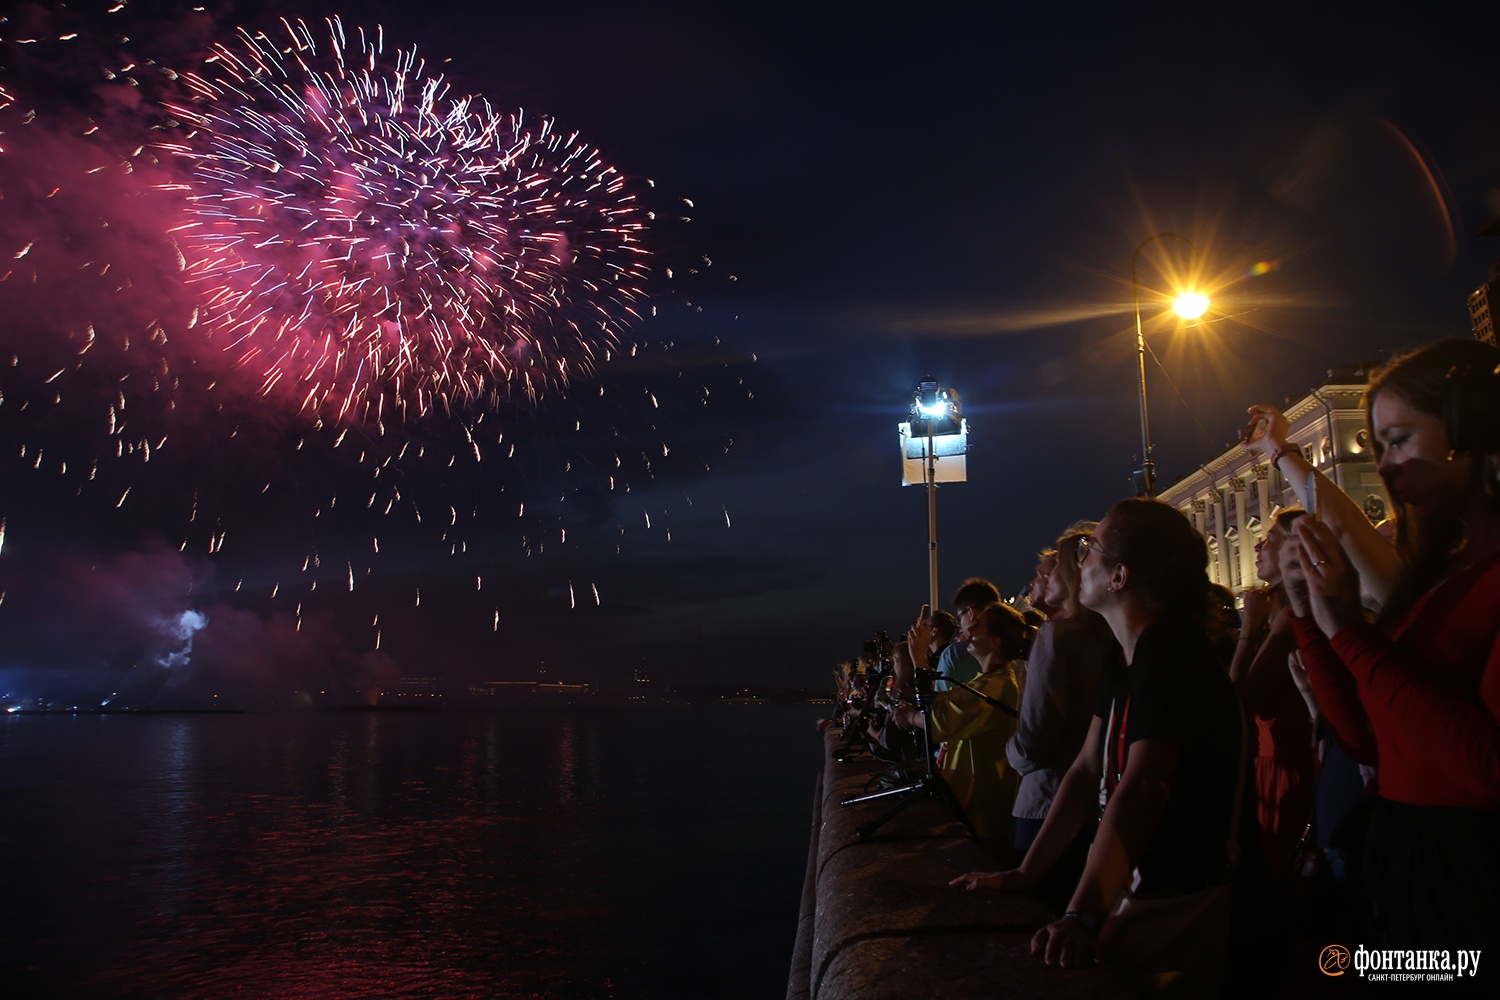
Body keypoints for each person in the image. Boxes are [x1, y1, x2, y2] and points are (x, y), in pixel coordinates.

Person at [951, 498, 1252, 997]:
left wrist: (1081, 915)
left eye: (1093, 548)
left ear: (1119, 577)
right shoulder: (1127, 654)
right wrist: (1027, 874)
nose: (1082, 558)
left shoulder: (1168, 651)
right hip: (1148, 885)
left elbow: (1144, 788)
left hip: (1182, 891)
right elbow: (1087, 768)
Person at [1268, 338, 1500, 964]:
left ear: (1470, 430)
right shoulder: (1441, 574)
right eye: (1376, 447)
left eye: (1398, 440)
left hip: (1470, 873)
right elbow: (1369, 739)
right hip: (1407, 857)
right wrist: (1309, 612)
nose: (1386, 465)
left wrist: (1346, 630)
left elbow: (1486, 768)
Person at [1006, 526, 1112, 861]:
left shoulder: (1055, 635)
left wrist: (1012, 753)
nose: (1041, 575)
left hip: (1047, 798)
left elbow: (1035, 734)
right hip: (1095, 798)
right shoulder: (1104, 634)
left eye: (1051, 568)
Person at [898, 601, 1031, 860]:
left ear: (995, 642)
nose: (968, 631)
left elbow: (938, 722)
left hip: (980, 812)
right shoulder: (990, 681)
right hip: (973, 804)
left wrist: (920, 661)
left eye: (977, 626)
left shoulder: (996, 685)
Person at [1228, 507, 1317, 875]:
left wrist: (1248, 627)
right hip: (1284, 759)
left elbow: (1239, 699)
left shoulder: (1288, 617)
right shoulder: (1290, 610)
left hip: (1285, 765)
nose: (1260, 547)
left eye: (1270, 539)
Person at [933, 578, 1001, 692]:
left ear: (971, 613)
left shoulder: (954, 654)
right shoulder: (1010, 648)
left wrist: (918, 663)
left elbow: (940, 706)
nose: (960, 626)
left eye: (959, 618)